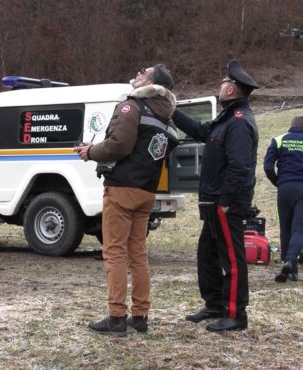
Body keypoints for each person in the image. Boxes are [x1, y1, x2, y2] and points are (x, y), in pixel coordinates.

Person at [75, 64, 178, 336]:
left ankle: (116, 317)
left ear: (151, 83)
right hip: (147, 190)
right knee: (138, 254)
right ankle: (141, 315)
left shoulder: (132, 106)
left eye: (144, 72)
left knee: (115, 253)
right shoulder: (167, 115)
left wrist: (91, 151)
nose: (138, 73)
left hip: (121, 188)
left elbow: (119, 145)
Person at [172, 60, 259, 332]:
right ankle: (214, 305)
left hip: (226, 204)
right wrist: (172, 111)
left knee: (231, 258)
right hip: (213, 202)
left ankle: (236, 315)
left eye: (224, 83)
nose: (220, 86)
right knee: (206, 256)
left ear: (232, 90)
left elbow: (239, 167)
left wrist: (225, 202)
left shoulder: (239, 123)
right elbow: (200, 131)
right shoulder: (225, 120)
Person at [263, 115, 303, 282]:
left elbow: (267, 166)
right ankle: (291, 262)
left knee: (285, 228)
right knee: (299, 229)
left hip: (284, 189)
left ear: (290, 127)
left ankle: (291, 270)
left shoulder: (278, 140)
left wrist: (278, 182)